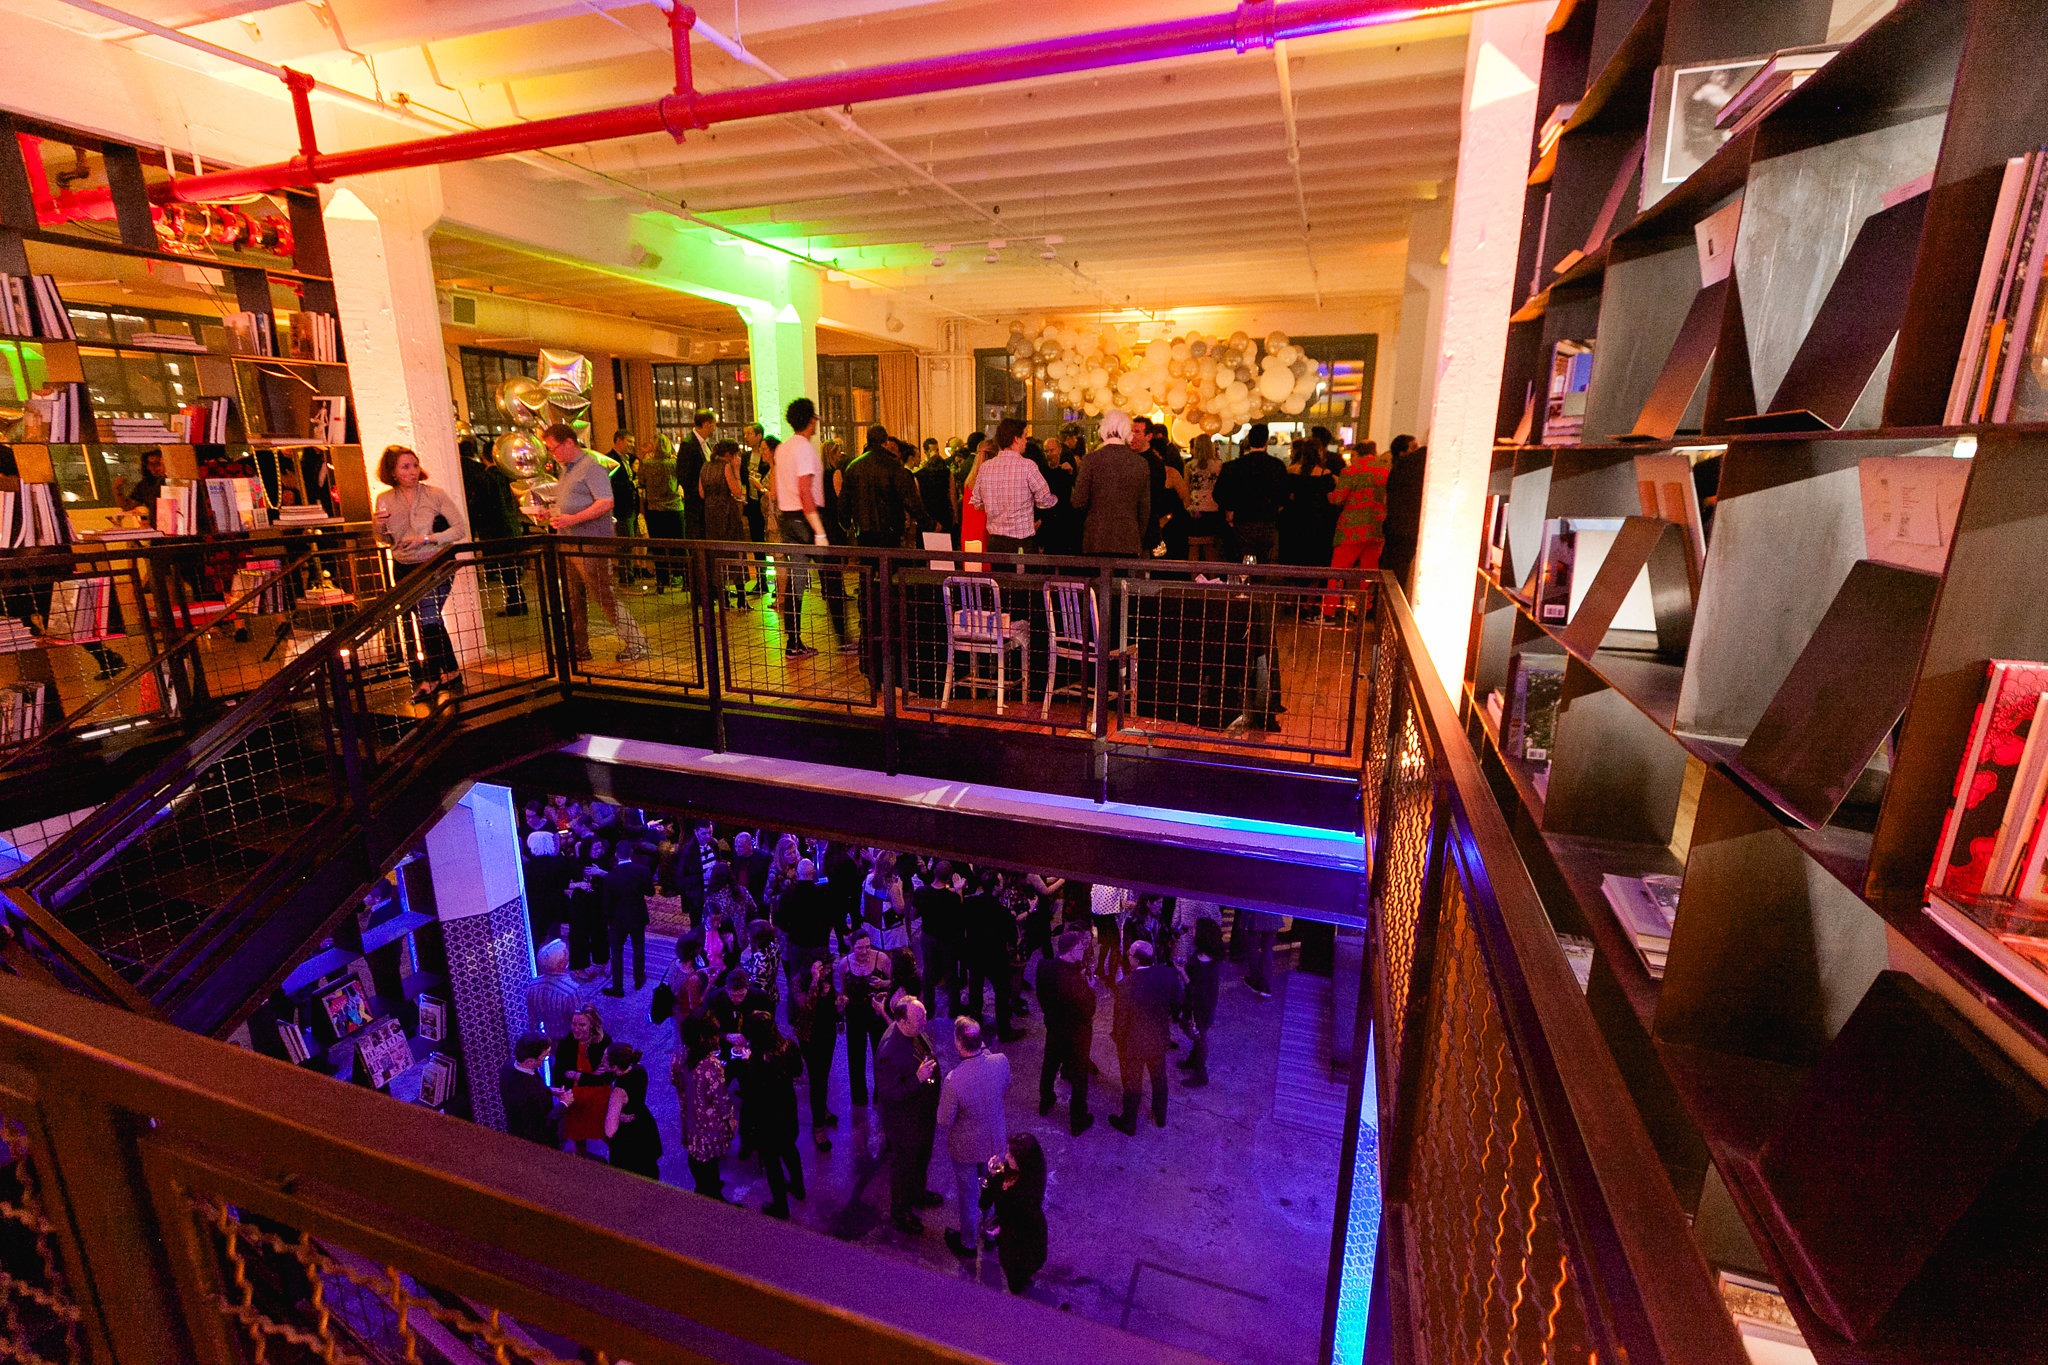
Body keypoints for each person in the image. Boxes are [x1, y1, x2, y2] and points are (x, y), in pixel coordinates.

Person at [538, 424, 649, 664]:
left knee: (603, 595)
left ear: (568, 443)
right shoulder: (567, 470)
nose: (552, 453)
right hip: (569, 541)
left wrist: (571, 518)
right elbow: (571, 504)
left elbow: (606, 502)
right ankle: (579, 647)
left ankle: (637, 642)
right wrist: (550, 514)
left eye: (553, 448)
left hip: (591, 544)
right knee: (573, 597)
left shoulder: (591, 467)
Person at [372, 444, 470, 705]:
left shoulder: (435, 495)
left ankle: (430, 678)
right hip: (404, 565)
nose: (413, 471)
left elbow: (459, 529)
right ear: (392, 472)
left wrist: (427, 538)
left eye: (414, 465)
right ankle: (451, 672)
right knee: (430, 618)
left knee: (428, 616)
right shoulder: (384, 499)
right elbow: (382, 538)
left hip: (436, 563)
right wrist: (379, 525)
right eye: (405, 467)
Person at [936, 1015, 1011, 1259]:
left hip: (966, 1149)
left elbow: (943, 1120)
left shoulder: (953, 1080)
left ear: (958, 1045)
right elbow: (1005, 1086)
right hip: (995, 1143)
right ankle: (991, 1234)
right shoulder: (1000, 1062)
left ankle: (968, 1244)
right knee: (991, 1191)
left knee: (969, 1196)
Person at [874, 995, 943, 1234]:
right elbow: (889, 1092)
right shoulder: (890, 1051)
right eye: (919, 1019)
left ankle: (918, 1192)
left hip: (921, 1113)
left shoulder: (912, 1031)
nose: (925, 1022)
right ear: (902, 1022)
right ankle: (900, 1211)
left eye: (923, 1015)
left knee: (921, 1157)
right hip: (904, 1121)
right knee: (904, 1165)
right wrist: (917, 1079)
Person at [772, 397, 832, 657]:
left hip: (787, 518)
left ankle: (793, 642)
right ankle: (843, 636)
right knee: (830, 576)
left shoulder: (782, 448)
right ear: (810, 419)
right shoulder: (805, 449)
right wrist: (819, 530)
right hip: (805, 520)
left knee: (797, 583)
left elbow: (776, 489)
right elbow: (805, 491)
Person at [1108, 940, 1184, 1135]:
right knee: (1159, 1079)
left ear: (1135, 960)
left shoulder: (1125, 986)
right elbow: (1177, 1003)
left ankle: (1129, 1122)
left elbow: (1121, 1021)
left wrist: (1118, 1039)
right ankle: (1160, 1116)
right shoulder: (1167, 975)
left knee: (1132, 1084)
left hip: (1133, 1044)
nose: (1127, 954)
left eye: (1129, 953)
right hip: (1158, 1039)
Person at [736, 1012, 805, 1217]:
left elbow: (750, 1089)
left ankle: (780, 1207)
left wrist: (746, 1062)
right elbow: (798, 1071)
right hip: (787, 1107)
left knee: (772, 1162)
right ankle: (798, 1187)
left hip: (766, 1115)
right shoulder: (788, 1046)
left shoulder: (757, 1058)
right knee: (790, 1150)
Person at [460, 436, 529, 615]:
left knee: (506, 570)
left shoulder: (484, 479)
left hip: (494, 531)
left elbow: (479, 506)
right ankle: (518, 601)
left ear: (484, 456)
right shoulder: (508, 477)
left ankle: (515, 602)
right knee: (511, 569)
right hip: (510, 527)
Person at [1036, 930, 1096, 1134]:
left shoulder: (1044, 966)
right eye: (1081, 947)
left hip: (1053, 1026)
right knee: (1079, 1077)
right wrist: (1091, 988)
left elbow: (1041, 995)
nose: (1084, 950)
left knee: (1050, 1064)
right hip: (1076, 1034)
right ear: (1070, 952)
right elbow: (1088, 1010)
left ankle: (1045, 1101)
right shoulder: (1076, 981)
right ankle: (1078, 1120)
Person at [1071, 410, 1151, 557]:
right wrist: (1137, 535)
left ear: (1104, 429)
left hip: (1096, 538)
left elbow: (1078, 501)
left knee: (1098, 580)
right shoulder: (1140, 463)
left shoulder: (1090, 460)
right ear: (1127, 431)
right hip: (1129, 539)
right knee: (1124, 580)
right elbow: (1144, 509)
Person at [968, 418, 1054, 555]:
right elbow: (1045, 500)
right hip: (1021, 543)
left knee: (999, 577)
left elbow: (977, 502)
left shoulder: (986, 467)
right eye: (1024, 436)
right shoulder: (1028, 466)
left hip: (995, 542)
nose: (1026, 441)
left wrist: (996, 505)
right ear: (1016, 439)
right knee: (1022, 577)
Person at [676, 1014, 737, 1199]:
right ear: (703, 1038)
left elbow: (673, 1079)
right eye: (713, 1034)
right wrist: (730, 1119)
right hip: (709, 1124)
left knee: (695, 1153)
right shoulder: (711, 1066)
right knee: (709, 1160)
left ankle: (702, 1186)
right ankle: (713, 1195)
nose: (717, 1038)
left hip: (689, 1115)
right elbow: (721, 1098)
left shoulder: (680, 1054)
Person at [979, 1133, 1048, 1295]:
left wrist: (998, 1229)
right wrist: (991, 1177)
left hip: (1021, 1242)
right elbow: (984, 1203)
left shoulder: (1027, 1193)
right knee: (1014, 1270)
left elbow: (1020, 1220)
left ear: (1024, 1162)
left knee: (1016, 1276)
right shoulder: (1012, 1172)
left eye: (1012, 1155)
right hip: (1012, 1237)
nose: (1007, 1156)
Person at [841, 425, 929, 549]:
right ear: (885, 442)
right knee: (889, 565)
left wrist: (846, 524)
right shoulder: (893, 466)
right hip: (890, 529)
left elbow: (845, 501)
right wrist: (927, 522)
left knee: (868, 565)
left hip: (864, 529)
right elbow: (909, 499)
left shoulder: (854, 467)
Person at [1211, 424, 1288, 563]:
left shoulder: (1233, 466)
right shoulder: (1277, 466)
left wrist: (1230, 508)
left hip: (1242, 519)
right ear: (1266, 441)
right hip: (1268, 519)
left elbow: (1218, 493)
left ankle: (1244, 582)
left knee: (1242, 559)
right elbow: (1284, 494)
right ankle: (1260, 583)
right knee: (1264, 561)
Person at [963, 869, 1023, 1043]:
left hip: (974, 953)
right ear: (996, 887)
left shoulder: (970, 903)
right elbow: (1012, 938)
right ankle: (1004, 1030)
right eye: (1001, 882)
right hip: (995, 958)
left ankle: (974, 1020)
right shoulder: (1003, 912)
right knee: (1001, 992)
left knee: (975, 987)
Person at [836, 926, 893, 1106]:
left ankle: (880, 1096)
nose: (864, 951)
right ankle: (859, 1097)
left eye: (867, 946)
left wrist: (882, 984)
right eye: (860, 948)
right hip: (855, 1013)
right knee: (855, 1055)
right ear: (852, 947)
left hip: (876, 1012)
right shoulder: (845, 964)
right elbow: (842, 990)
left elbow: (895, 983)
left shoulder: (881, 959)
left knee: (880, 1053)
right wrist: (841, 1007)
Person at [791, 954, 841, 1146]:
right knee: (816, 1079)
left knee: (824, 1074)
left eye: (828, 969)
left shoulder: (827, 978)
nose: (827, 972)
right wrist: (814, 980)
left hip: (827, 1033)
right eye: (824, 969)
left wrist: (838, 1002)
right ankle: (817, 1126)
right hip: (810, 1036)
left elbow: (832, 1004)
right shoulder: (799, 981)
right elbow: (805, 1006)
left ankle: (822, 1109)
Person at [552, 1005, 614, 1155]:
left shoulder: (603, 1042)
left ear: (592, 1025)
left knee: (608, 1133)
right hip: (576, 1099)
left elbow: (607, 1077)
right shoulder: (566, 1043)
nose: (576, 1028)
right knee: (578, 1138)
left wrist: (577, 1075)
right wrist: (591, 1077)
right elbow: (560, 1074)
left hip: (599, 1098)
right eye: (574, 1024)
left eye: (582, 1025)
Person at [700, 439, 752, 608]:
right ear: (729, 454)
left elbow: (701, 493)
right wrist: (736, 470)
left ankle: (724, 599)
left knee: (717, 554)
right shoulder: (726, 467)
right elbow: (737, 491)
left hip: (710, 513)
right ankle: (742, 599)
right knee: (735, 552)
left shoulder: (705, 467)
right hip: (727, 512)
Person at [602, 1042, 663, 1180]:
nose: (602, 1061)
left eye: (605, 1059)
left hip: (630, 1141)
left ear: (615, 1067)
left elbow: (610, 1130)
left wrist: (616, 1115)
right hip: (644, 1125)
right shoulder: (639, 1069)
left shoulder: (618, 1092)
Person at [601, 841, 652, 998]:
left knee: (616, 953)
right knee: (638, 948)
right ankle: (639, 979)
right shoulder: (642, 870)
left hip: (618, 919)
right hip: (638, 916)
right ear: (631, 853)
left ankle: (618, 987)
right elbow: (650, 892)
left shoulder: (610, 876)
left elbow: (606, 904)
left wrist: (609, 921)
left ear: (616, 855)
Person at [637, 434, 686, 592]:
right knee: (679, 545)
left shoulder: (646, 463)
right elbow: (681, 481)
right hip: (675, 508)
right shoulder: (675, 463)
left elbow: (641, 483)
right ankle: (685, 579)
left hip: (655, 509)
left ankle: (661, 581)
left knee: (658, 546)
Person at [1379, 435, 1427, 594]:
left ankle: (1384, 608)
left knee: (1392, 573)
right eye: (1413, 447)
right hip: (1409, 528)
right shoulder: (1421, 463)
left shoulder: (1400, 468)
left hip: (1396, 527)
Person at [1180, 917, 1224, 1087]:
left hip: (1200, 1006)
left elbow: (1197, 989)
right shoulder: (1203, 956)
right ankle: (1193, 1059)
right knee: (1195, 1032)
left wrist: (1183, 973)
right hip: (1197, 1004)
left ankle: (1200, 1073)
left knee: (1198, 1035)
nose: (1191, 931)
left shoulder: (1205, 964)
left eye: (1194, 929)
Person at [499, 1033, 560, 1147]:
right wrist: (564, 1103)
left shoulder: (509, 1065)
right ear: (530, 1061)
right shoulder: (529, 1092)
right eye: (545, 1056)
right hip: (536, 1141)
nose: (548, 1056)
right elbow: (546, 1121)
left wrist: (549, 1090)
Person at [524, 938, 583, 1038]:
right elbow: (580, 1021)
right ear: (561, 963)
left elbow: (532, 1018)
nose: (568, 956)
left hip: (546, 1037)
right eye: (565, 954)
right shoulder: (571, 990)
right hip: (568, 1039)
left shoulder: (532, 986)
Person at [1184, 433, 1225, 558]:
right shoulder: (1219, 465)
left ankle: (1194, 576)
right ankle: (1212, 576)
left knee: (1194, 547)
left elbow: (1186, 488)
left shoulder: (1190, 466)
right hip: (1213, 507)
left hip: (1195, 508)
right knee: (1210, 547)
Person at [677, 409, 715, 539]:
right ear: (706, 424)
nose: (714, 428)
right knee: (698, 537)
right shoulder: (688, 444)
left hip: (706, 504)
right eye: (713, 424)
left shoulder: (706, 444)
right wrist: (701, 492)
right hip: (696, 505)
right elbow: (683, 475)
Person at [916, 441, 957, 541]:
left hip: (927, 514)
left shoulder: (919, 475)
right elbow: (952, 495)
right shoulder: (947, 474)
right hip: (944, 513)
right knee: (944, 548)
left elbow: (918, 497)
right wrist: (955, 516)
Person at [1238, 907, 1281, 998]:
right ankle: (1265, 983)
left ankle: (1255, 979)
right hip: (1273, 908)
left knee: (1252, 945)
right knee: (1268, 946)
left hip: (1255, 907)